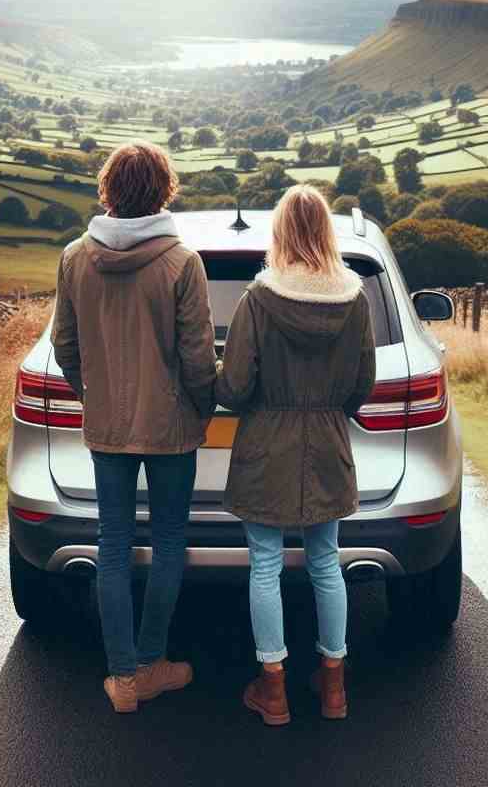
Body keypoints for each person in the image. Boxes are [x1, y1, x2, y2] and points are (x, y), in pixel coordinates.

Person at [53, 141, 217, 714]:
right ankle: (153, 663)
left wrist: (89, 395)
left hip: (106, 427)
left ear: (109, 188)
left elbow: (63, 346)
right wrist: (206, 407)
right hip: (172, 426)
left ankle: (122, 679)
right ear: (164, 188)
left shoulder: (75, 257)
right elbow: (198, 358)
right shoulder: (182, 262)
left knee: (113, 545)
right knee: (169, 540)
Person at [216, 185, 375, 726]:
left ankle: (274, 688)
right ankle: (334, 688)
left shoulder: (259, 299)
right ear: (327, 232)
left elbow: (235, 388)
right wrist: (329, 410)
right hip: (328, 442)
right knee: (327, 562)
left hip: (267, 442)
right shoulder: (355, 299)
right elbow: (363, 383)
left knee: (265, 565)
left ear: (280, 233)